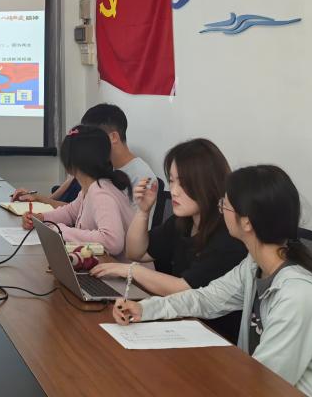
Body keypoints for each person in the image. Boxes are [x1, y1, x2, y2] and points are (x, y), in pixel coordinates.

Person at [113, 165, 312, 397]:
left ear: (247, 222)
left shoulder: (299, 296)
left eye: (226, 204)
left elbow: (267, 383)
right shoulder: (254, 265)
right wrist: (146, 309)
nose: (220, 210)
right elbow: (207, 299)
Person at [90, 138, 246, 341]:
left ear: (208, 183)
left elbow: (185, 289)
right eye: (172, 181)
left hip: (215, 337)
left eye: (184, 183)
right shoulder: (183, 221)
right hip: (180, 324)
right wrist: (143, 211)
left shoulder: (228, 234)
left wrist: (131, 270)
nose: (174, 191)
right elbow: (136, 253)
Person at [21, 125, 135, 256]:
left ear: (69, 166)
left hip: (122, 268)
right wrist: (41, 218)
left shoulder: (101, 193)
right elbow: (70, 212)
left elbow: (112, 241)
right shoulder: (91, 188)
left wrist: (62, 231)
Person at [13, 103, 157, 207]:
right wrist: (37, 199)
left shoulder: (142, 177)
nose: (88, 145)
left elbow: (130, 232)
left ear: (113, 137)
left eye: (93, 138)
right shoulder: (103, 167)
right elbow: (76, 209)